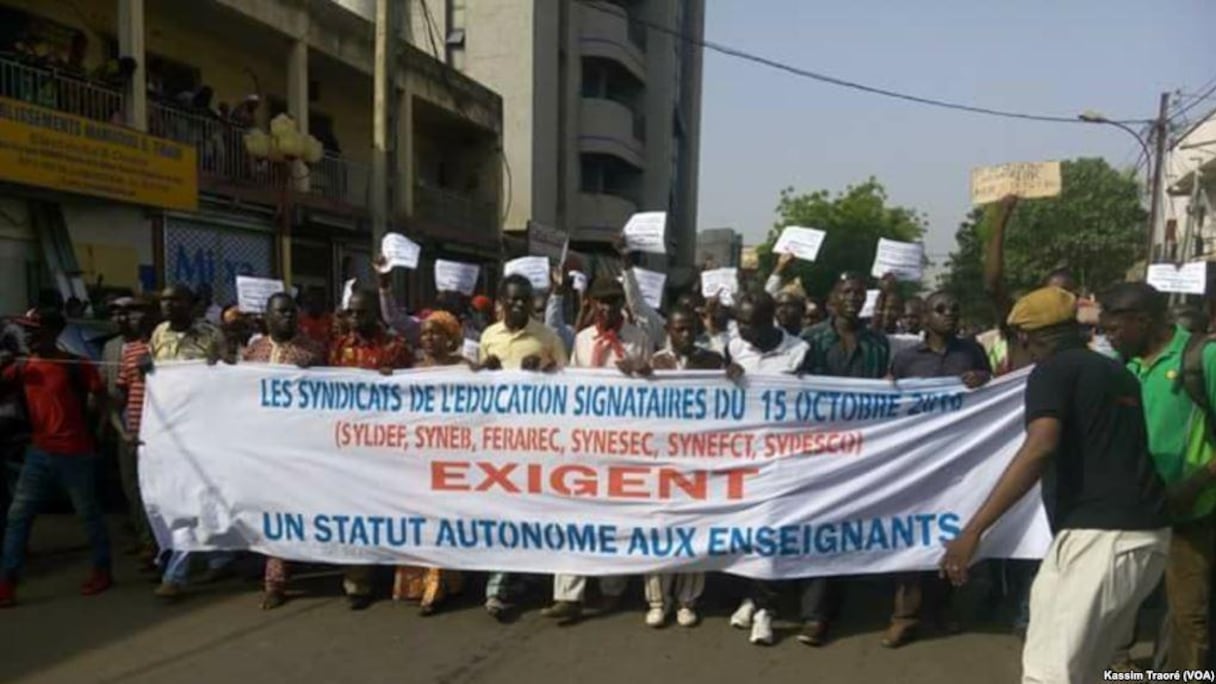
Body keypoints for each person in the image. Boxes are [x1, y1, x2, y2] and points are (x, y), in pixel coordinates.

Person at [940, 286, 1170, 684]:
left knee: (1050, 673)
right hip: (1138, 537)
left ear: (1026, 337)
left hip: (1101, 539)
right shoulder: (1117, 372)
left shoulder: (1052, 371)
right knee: (1084, 670)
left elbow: (1040, 446)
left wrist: (974, 531)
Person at [1099, 282, 1216, 671]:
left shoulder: (1203, 357)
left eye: (1114, 329)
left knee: (1187, 615)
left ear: (1143, 321)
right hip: (1134, 511)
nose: (1108, 338)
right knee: (1119, 603)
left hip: (1190, 514)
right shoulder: (1124, 367)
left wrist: (1193, 485)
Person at [882, 291, 990, 648]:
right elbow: (888, 401)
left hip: (958, 461)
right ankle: (904, 616)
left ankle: (943, 609)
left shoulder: (971, 353)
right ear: (925, 317)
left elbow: (992, 394)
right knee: (911, 533)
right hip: (915, 462)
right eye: (941, 310)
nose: (950, 314)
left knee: (948, 534)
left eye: (954, 309)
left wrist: (982, 380)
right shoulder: (906, 358)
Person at [543, 276, 653, 624]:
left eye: (612, 301)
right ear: (591, 304)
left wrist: (640, 372)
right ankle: (568, 595)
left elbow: (659, 394)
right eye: (600, 302)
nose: (606, 308)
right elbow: (574, 387)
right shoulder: (582, 338)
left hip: (625, 443)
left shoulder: (638, 339)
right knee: (575, 517)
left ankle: (612, 589)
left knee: (614, 519)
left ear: (622, 304)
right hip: (586, 442)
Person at [795, 271, 890, 647]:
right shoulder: (811, 340)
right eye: (846, 292)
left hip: (861, 451)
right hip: (818, 451)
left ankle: (839, 602)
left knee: (849, 527)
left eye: (859, 292)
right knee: (820, 527)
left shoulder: (878, 343)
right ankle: (814, 614)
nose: (853, 298)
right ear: (833, 298)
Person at [0, 308, 112, 607]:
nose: (28, 335)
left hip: (76, 453)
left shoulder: (76, 365)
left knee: (88, 515)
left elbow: (102, 398)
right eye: (26, 329)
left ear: (53, 332)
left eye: (34, 329)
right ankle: (7, 580)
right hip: (39, 453)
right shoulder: (23, 367)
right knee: (18, 516)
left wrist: (101, 431)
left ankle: (102, 569)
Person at [724, 290, 812, 645]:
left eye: (749, 323)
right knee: (747, 530)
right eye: (739, 321)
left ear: (768, 320)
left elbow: (810, 399)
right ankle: (752, 597)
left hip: (783, 456)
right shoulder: (734, 346)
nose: (741, 329)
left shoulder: (799, 351)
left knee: (772, 531)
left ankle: (766, 610)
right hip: (742, 455)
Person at [478, 274, 568, 620]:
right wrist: (485, 372)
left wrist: (544, 373)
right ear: (501, 301)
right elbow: (477, 388)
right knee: (502, 512)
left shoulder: (548, 337)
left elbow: (571, 384)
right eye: (512, 300)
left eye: (525, 301)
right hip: (499, 441)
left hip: (537, 442)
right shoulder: (489, 337)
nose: (518, 306)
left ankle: (526, 573)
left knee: (533, 511)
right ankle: (496, 587)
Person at [630, 305, 721, 628]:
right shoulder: (655, 364)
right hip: (663, 461)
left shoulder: (712, 363)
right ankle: (657, 600)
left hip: (700, 460)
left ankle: (687, 600)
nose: (686, 335)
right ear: (667, 330)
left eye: (691, 329)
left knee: (695, 529)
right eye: (679, 329)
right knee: (659, 527)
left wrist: (735, 373)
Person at [329, 288, 412, 610]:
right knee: (355, 512)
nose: (354, 319)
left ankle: (395, 570)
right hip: (348, 446)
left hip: (387, 446)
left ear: (375, 314)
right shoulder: (338, 347)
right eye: (350, 312)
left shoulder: (395, 347)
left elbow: (415, 390)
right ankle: (358, 581)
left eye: (361, 313)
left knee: (387, 510)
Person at [241, 293, 325, 610]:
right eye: (280, 312)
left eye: (292, 312)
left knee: (286, 508)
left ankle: (276, 578)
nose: (287, 318)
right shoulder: (253, 352)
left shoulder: (313, 352)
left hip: (297, 445)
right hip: (260, 444)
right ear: (267, 316)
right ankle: (274, 571)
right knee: (266, 508)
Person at [147, 285, 231, 600]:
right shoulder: (158, 334)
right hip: (169, 431)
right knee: (185, 497)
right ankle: (219, 556)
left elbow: (228, 379)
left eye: (175, 300)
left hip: (203, 429)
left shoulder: (211, 336)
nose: (168, 305)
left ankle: (176, 575)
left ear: (191, 304)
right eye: (164, 300)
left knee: (191, 498)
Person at [393, 311, 467, 615]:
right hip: (417, 459)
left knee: (442, 518)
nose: (428, 339)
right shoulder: (412, 372)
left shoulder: (464, 370)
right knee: (418, 519)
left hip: (451, 458)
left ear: (450, 339)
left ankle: (437, 586)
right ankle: (416, 583)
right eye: (424, 334)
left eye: (435, 333)